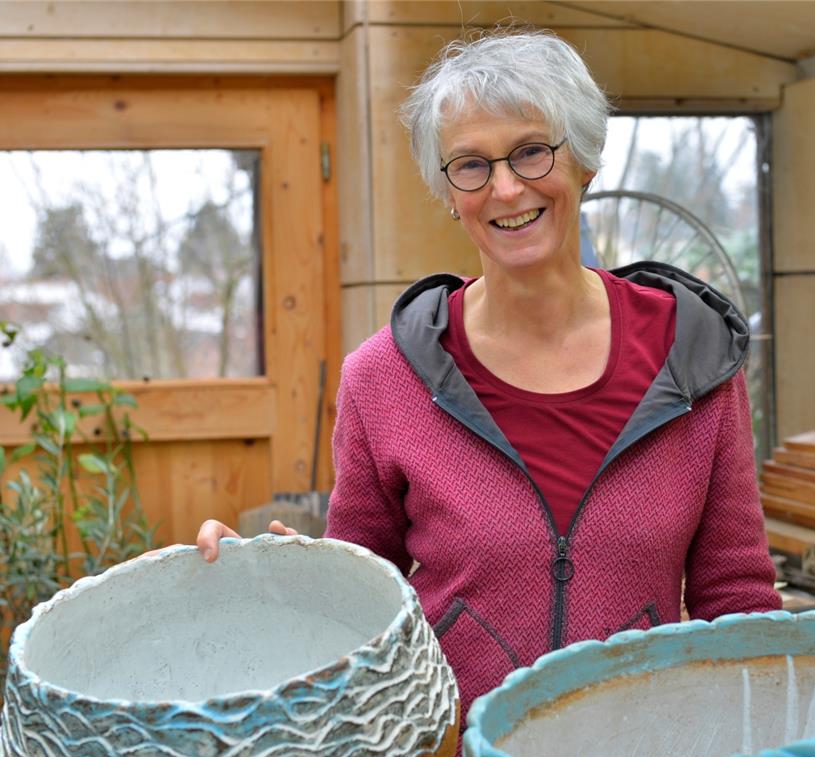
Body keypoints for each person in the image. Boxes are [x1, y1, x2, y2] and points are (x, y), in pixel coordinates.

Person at [198, 27, 780, 721]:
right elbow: (360, 603)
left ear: (585, 160)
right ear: (448, 192)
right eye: (470, 165)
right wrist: (273, 580)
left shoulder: (693, 358)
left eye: (532, 152)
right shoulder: (385, 378)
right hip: (453, 742)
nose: (506, 188)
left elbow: (737, 598)